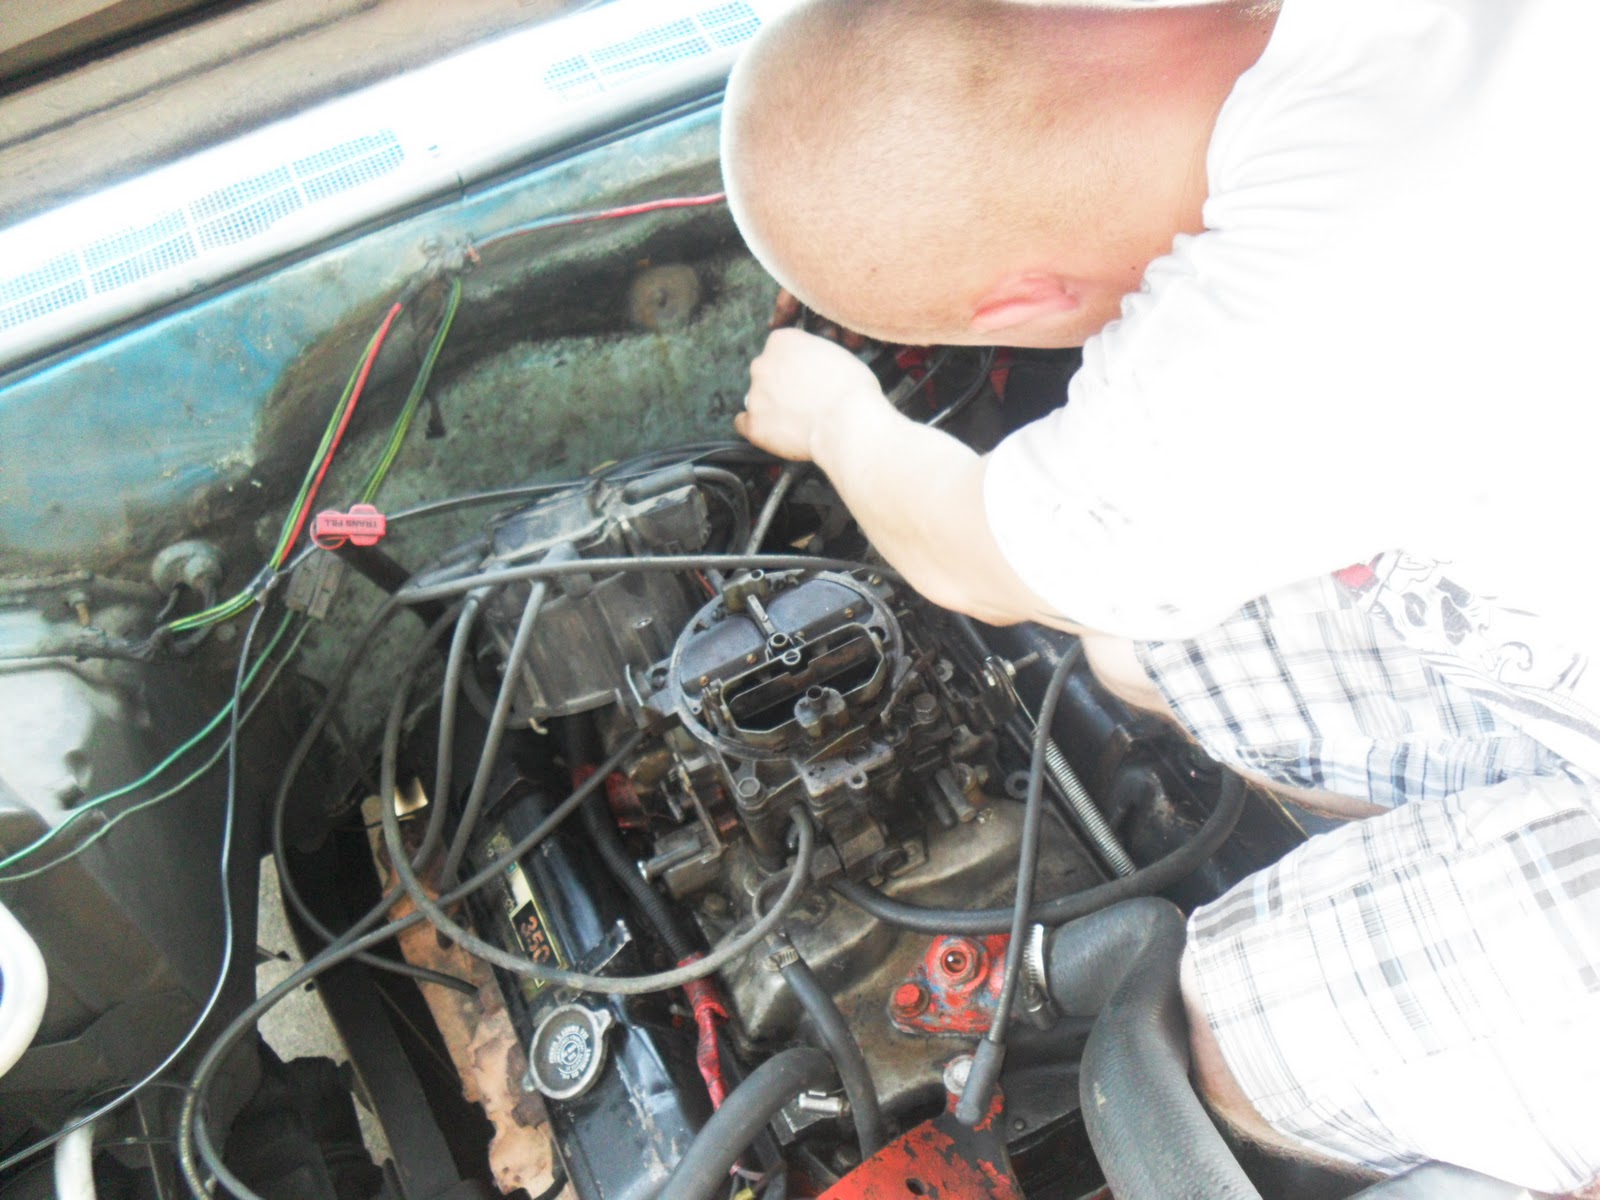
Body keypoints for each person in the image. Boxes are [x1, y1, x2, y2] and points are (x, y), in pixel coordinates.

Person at [720, 0, 1600, 1193]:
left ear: (1016, 310)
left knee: (1236, 1023)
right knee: (1141, 646)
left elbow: (969, 555)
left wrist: (833, 416)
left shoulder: (1274, 318)